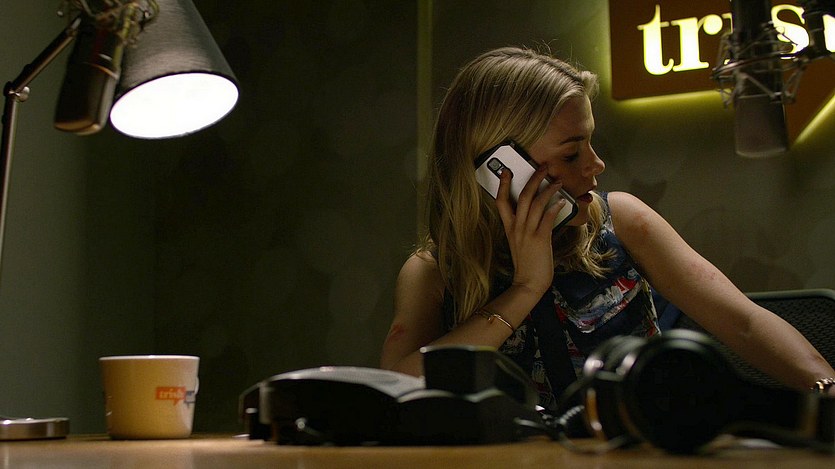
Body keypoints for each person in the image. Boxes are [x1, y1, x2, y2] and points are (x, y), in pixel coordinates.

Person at [379, 46, 835, 408]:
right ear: (501, 170)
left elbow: (744, 323)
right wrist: (525, 289)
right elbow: (398, 383)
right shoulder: (434, 272)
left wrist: (826, 387)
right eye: (571, 153)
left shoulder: (623, 221)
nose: (596, 164)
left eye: (590, 143)